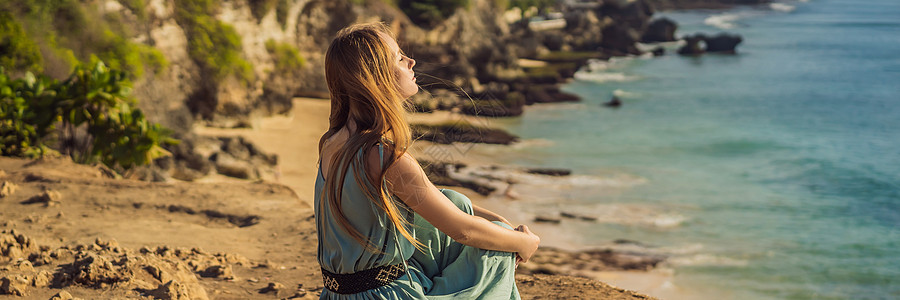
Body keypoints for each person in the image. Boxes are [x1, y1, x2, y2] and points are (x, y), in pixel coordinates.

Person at [314, 23, 541, 299]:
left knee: (457, 202)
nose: (411, 61)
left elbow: (434, 199)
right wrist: (523, 242)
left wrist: (496, 219)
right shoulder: (383, 157)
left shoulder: (331, 142)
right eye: (399, 57)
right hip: (386, 295)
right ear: (376, 77)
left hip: (337, 294)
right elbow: (464, 231)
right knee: (496, 251)